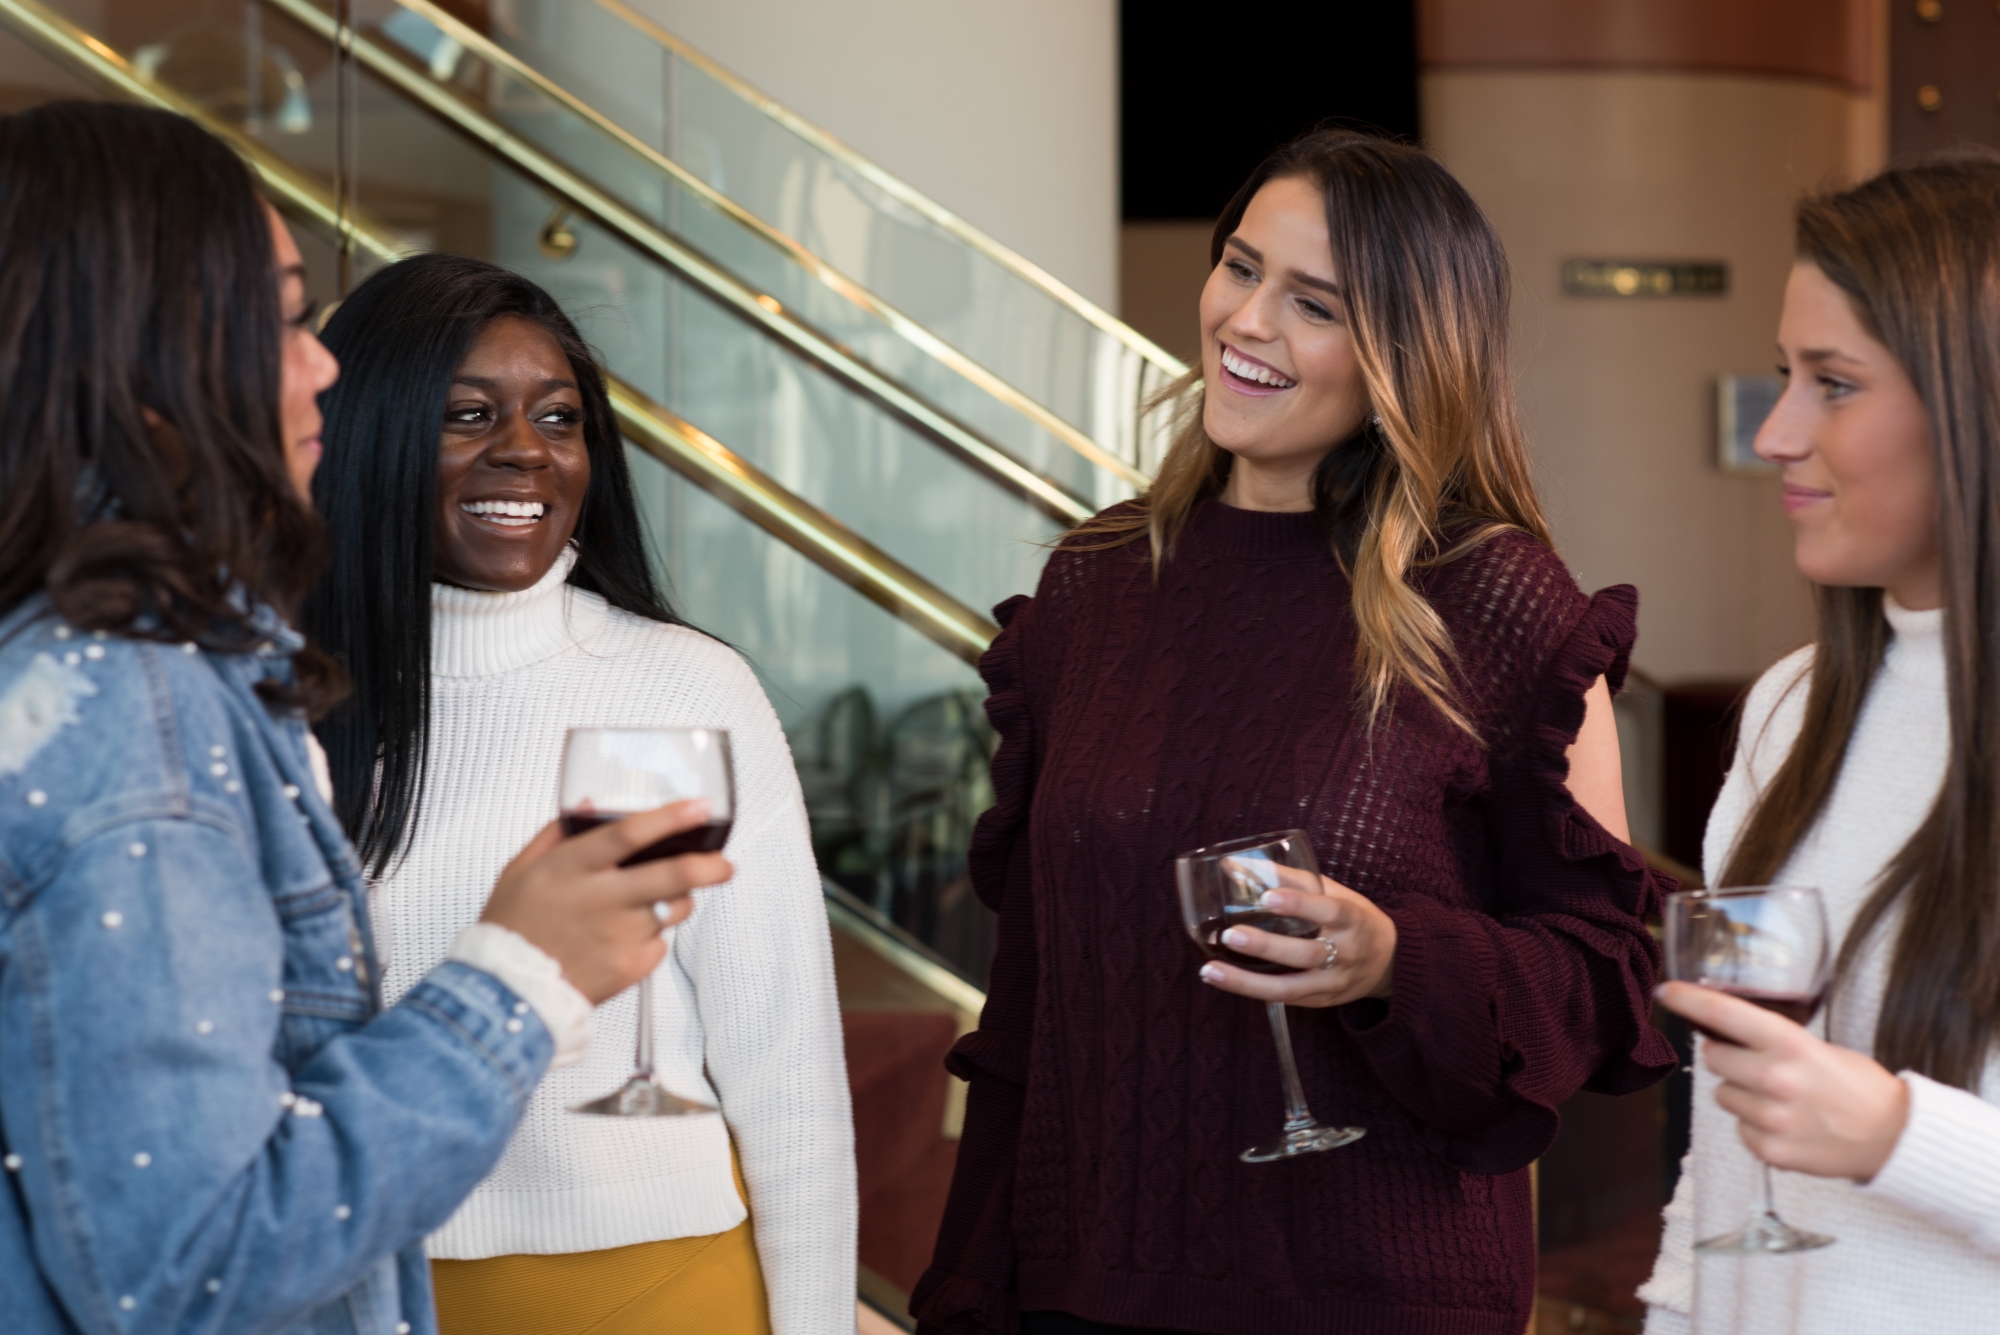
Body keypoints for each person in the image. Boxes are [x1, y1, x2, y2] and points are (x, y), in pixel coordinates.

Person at [910, 128, 1675, 1335]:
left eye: (1311, 303)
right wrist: (966, 1286)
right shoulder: (1098, 580)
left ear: (1404, 361)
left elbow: (1600, 975)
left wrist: (1387, 963)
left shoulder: (1494, 599)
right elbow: (1032, 1001)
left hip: (1369, 1297)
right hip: (1079, 1287)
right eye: (1238, 266)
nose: (1244, 320)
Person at [0, 102, 726, 1335]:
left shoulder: (72, 670)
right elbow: (193, 1268)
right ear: (150, 354)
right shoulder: (140, 714)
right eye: (284, 317)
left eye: (557, 418)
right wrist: (520, 974)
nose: (322, 363)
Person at [304, 252, 855, 1335]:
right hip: (361, 1287)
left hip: (659, 1282)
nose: (524, 452)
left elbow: (786, 1076)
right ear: (368, 435)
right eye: (467, 416)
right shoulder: (281, 702)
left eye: (558, 420)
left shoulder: (683, 685)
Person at [1640, 155, 2000, 1332]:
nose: (1776, 432)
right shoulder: (1790, 710)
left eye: (1832, 383)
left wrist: (1899, 1136)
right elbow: (1721, 1146)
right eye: (1780, 374)